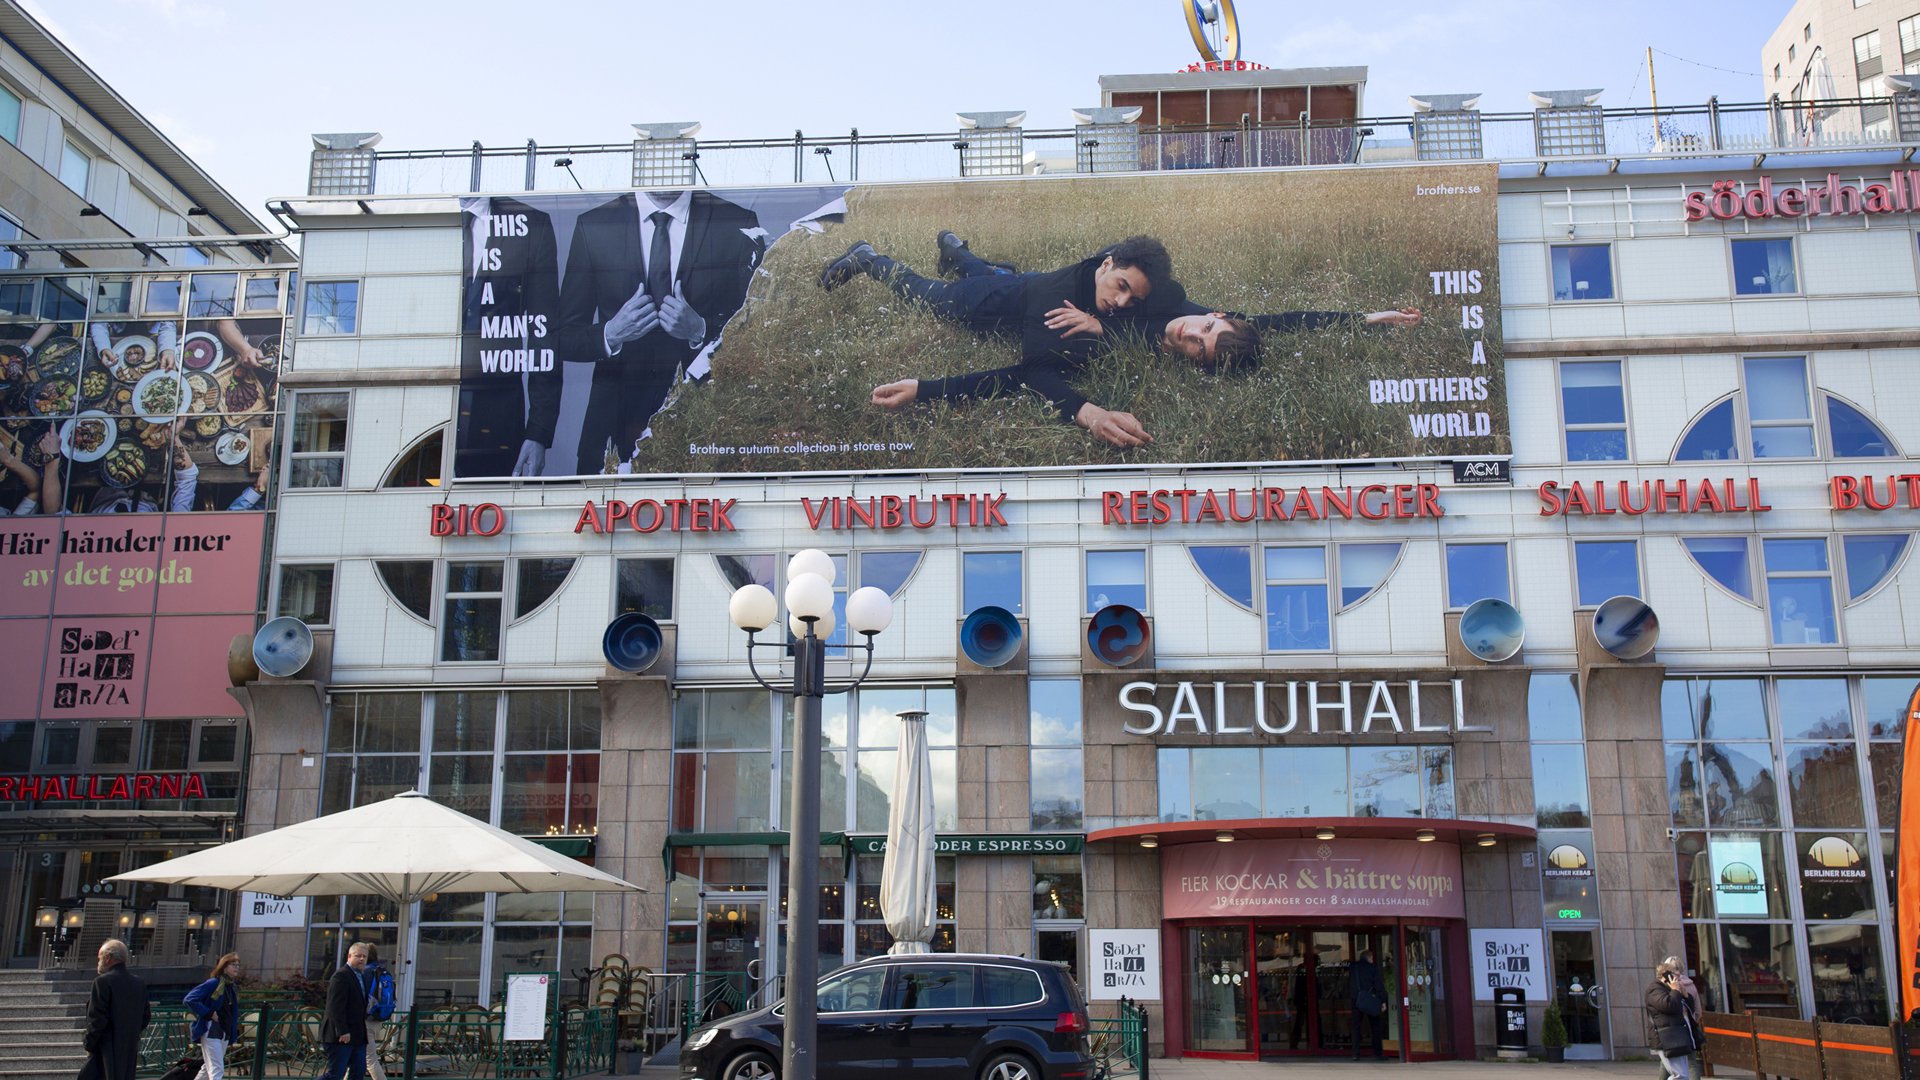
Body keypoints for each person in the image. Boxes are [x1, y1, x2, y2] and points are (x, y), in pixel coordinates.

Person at [559, 189, 764, 475]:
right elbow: (563, 337)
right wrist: (611, 333)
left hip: (705, 427)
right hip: (614, 427)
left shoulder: (736, 222)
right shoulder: (594, 224)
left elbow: (758, 329)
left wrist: (701, 330)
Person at [457, 197, 564, 478]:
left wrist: (538, 431)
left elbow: (545, 332)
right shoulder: (419, 218)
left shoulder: (532, 224)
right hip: (426, 401)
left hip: (496, 415)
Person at [79, 939, 148, 1080]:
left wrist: (89, 1043)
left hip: (106, 1051)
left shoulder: (102, 982)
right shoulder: (138, 983)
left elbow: (97, 1019)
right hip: (129, 1048)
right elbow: (145, 1016)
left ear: (108, 958)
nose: (98, 962)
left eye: (100, 958)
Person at [183, 953, 241, 1080]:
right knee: (217, 1067)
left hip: (224, 1030)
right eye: (233, 965)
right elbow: (189, 999)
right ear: (224, 967)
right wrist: (208, 1013)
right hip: (211, 1030)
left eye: (238, 965)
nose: (237, 968)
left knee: (207, 1068)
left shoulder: (231, 986)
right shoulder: (213, 983)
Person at [320, 942, 371, 1080]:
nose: (362, 959)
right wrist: (342, 1030)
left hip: (358, 1035)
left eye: (364, 956)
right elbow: (335, 1007)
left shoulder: (360, 976)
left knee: (358, 1071)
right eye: (358, 956)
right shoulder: (341, 976)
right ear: (349, 956)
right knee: (335, 1074)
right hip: (341, 1036)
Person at [1646, 956, 1702, 1079]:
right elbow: (1669, 1006)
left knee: (1681, 1074)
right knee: (1680, 1075)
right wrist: (1675, 990)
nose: (1678, 979)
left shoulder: (1669, 989)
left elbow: (1689, 1009)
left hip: (1677, 1036)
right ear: (1666, 976)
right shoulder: (1654, 989)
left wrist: (1685, 995)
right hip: (1666, 1037)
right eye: (1675, 976)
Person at [361, 945, 396, 1080]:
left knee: (370, 1060)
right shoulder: (383, 971)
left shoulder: (366, 972)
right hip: (378, 1018)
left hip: (366, 1019)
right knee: (356, 1057)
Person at [1349, 948, 1387, 1060]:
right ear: (1369, 958)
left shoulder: (1353, 968)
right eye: (1372, 958)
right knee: (1375, 1026)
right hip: (1371, 999)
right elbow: (1378, 985)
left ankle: (1355, 1053)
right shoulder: (1373, 968)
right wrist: (1382, 1000)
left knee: (1356, 1027)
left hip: (1356, 999)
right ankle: (1377, 1052)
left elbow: (1350, 983)